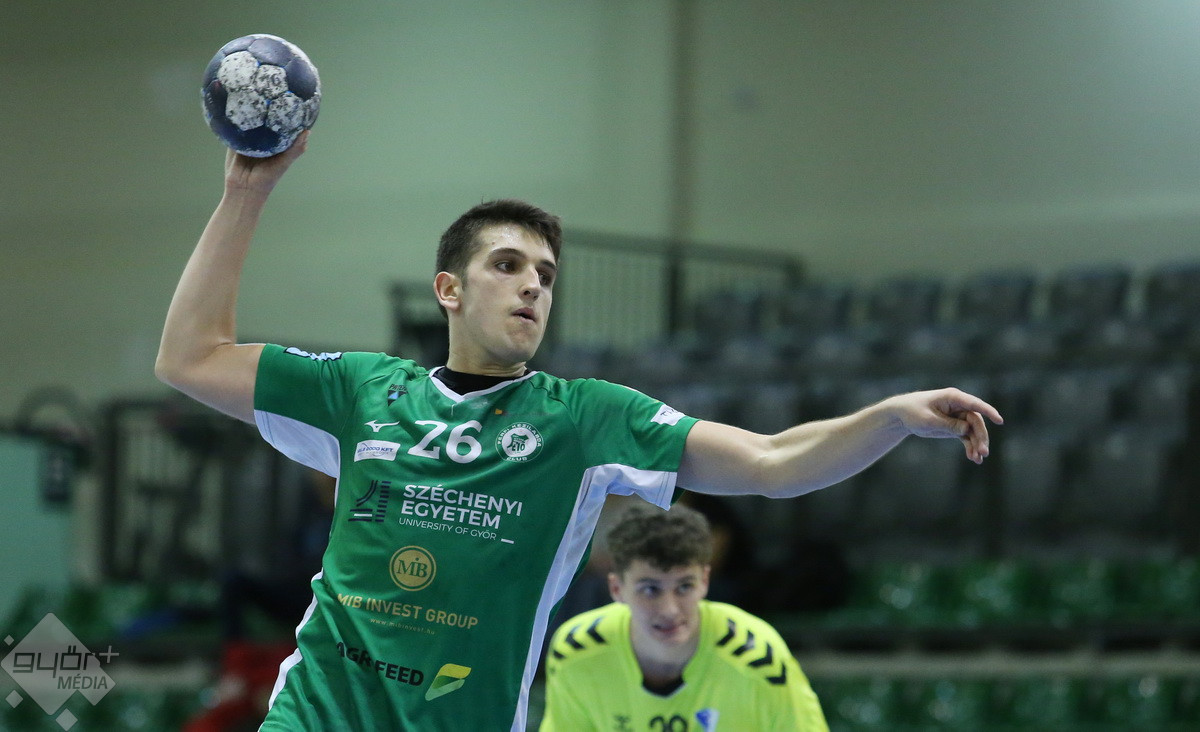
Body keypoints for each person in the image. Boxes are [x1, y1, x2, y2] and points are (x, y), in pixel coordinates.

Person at [155, 132, 1002, 731]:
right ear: (449, 289)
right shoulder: (361, 390)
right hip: (317, 716)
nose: (533, 286)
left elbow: (772, 462)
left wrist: (889, 417)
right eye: (507, 265)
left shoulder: (585, 418)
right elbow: (190, 358)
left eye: (546, 275)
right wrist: (246, 192)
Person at [540, 503, 828, 731]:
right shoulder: (576, 651)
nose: (670, 609)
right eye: (650, 589)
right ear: (617, 588)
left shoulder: (758, 658)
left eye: (684, 587)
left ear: (705, 581)